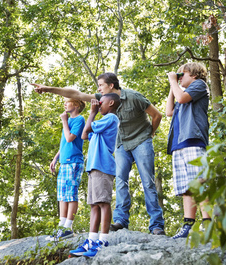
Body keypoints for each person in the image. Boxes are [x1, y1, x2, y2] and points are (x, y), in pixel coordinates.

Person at [32, 72, 165, 235]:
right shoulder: (103, 100)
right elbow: (76, 94)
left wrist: (149, 134)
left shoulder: (134, 97)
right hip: (122, 143)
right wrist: (48, 89)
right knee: (121, 181)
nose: (98, 88)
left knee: (148, 181)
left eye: (100, 85)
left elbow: (157, 115)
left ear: (111, 85)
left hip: (141, 140)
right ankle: (121, 221)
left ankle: (156, 225)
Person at [69, 93, 120, 257]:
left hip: (103, 165)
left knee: (103, 203)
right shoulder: (101, 122)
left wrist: (92, 112)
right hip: (93, 166)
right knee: (94, 204)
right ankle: (91, 240)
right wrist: (94, 113)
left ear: (111, 103)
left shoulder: (111, 118)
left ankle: (103, 241)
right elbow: (84, 135)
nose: (98, 105)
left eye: (101, 102)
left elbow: (89, 128)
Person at [165, 62, 211, 239]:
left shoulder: (199, 85)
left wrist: (174, 82)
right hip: (179, 144)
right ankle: (188, 225)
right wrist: (173, 84)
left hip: (193, 140)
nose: (179, 77)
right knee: (186, 188)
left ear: (193, 74)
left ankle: (207, 223)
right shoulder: (181, 93)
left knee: (199, 183)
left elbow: (182, 99)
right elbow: (169, 111)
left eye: (182, 74)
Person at [45, 98, 86, 242]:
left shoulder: (79, 119)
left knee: (71, 194)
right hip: (64, 162)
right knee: (62, 195)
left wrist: (64, 121)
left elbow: (70, 138)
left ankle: (68, 227)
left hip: (74, 162)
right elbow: (64, 144)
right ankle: (61, 226)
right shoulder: (68, 122)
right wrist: (56, 158)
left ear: (76, 105)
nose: (64, 104)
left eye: (67, 102)